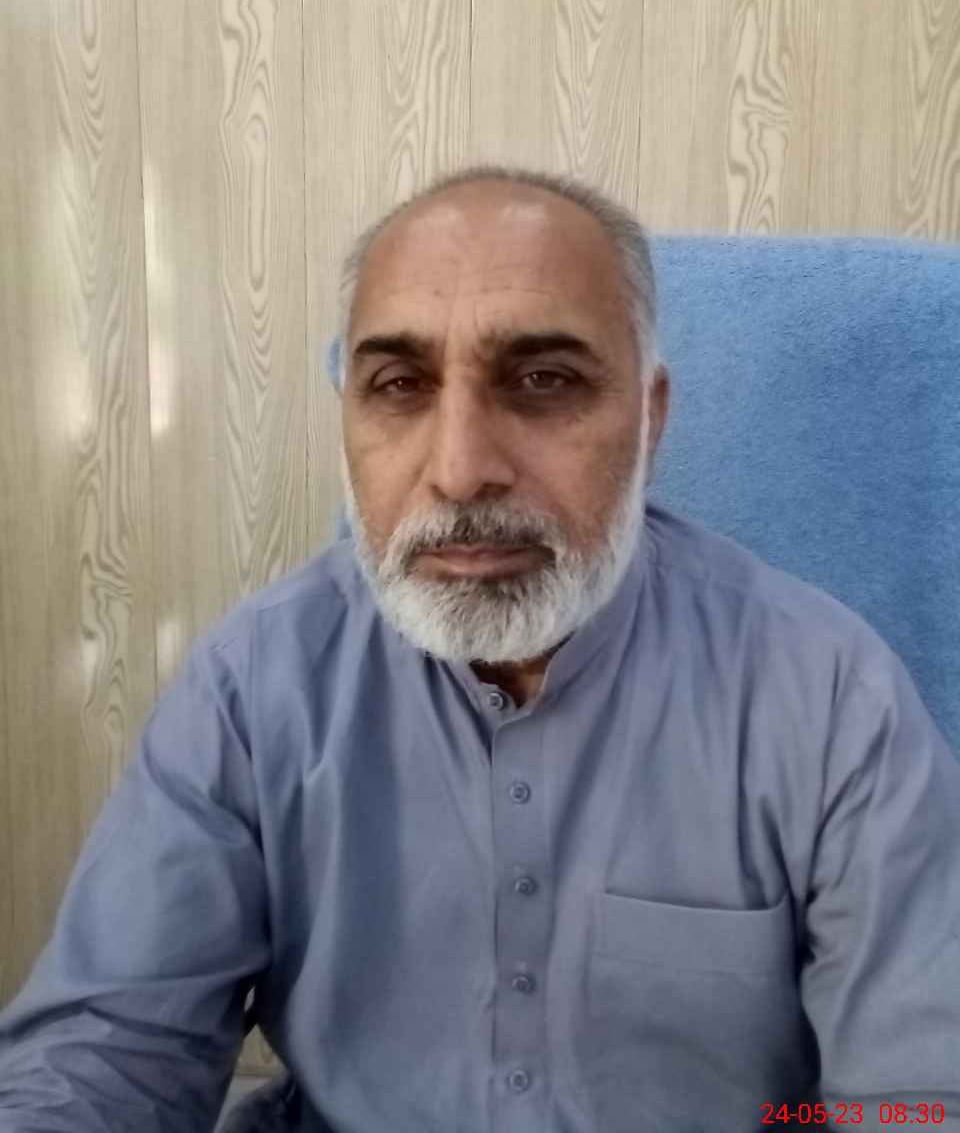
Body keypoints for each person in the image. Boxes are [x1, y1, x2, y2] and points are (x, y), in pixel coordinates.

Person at [0, 165, 958, 1133]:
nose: (460, 471)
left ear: (651, 418)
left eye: (544, 382)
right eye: (399, 385)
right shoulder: (254, 689)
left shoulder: (830, 699)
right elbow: (105, 1054)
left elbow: (920, 1098)